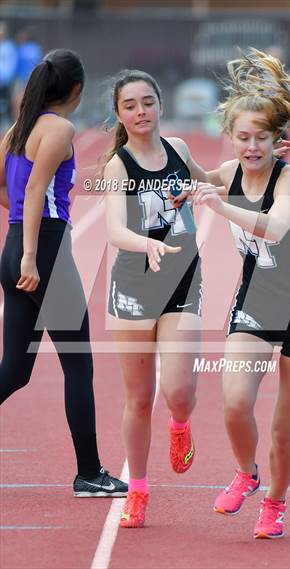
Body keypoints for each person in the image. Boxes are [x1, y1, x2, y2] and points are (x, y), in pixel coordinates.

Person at [103, 68, 290, 529]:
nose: (140, 111)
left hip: (183, 283)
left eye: (147, 102)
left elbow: (209, 183)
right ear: (119, 114)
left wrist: (263, 164)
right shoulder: (117, 167)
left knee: (180, 392)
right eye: (130, 105)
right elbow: (112, 228)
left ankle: (180, 423)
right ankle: (139, 491)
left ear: (161, 105)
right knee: (138, 399)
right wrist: (144, 243)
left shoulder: (178, 150)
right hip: (131, 286)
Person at [193, 48, 290, 539]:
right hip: (256, 302)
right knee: (234, 401)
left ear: (279, 141)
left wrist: (218, 206)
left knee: (284, 430)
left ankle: (274, 503)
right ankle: (246, 474)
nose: (251, 146)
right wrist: (154, 148)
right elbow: (188, 176)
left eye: (261, 137)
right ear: (229, 138)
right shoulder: (228, 173)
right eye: (242, 137)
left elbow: (274, 228)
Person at [0, 49, 128, 498]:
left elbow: (7, 188)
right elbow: (35, 189)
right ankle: (89, 473)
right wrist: (33, 255)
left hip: (13, 248)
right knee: (79, 365)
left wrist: (20, 239)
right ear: (75, 90)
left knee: (14, 371)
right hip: (43, 253)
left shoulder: (18, 129)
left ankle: (89, 472)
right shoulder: (59, 129)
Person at [12, 26, 42, 120]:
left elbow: (17, 65)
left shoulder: (22, 48)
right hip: (34, 77)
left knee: (17, 100)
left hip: (22, 78)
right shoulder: (36, 48)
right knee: (30, 100)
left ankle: (18, 121)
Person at [0, 21, 18, 128]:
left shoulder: (9, 47)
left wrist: (5, 77)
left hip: (6, 81)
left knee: (9, 102)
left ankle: (9, 124)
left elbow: (12, 63)